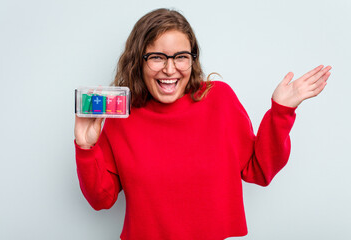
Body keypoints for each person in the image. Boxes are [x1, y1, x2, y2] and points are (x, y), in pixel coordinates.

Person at [74, 8, 331, 240]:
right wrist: (86, 148)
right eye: (157, 57)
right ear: (138, 61)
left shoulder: (218, 99)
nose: (170, 69)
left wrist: (281, 112)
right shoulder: (123, 117)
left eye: (181, 57)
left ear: (192, 59)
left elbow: (259, 170)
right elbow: (102, 200)